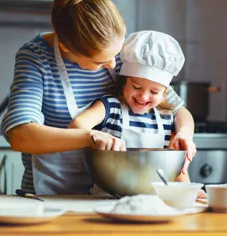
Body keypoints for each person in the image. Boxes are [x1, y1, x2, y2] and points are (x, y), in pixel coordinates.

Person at [1, 0, 196, 195]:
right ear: (67, 48)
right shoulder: (36, 58)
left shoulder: (125, 55)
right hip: (52, 197)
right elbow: (20, 135)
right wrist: (89, 137)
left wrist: (184, 134)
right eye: (101, 61)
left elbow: (177, 109)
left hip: (111, 198)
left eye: (117, 54)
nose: (114, 65)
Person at [68, 31, 192, 185]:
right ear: (123, 82)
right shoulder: (110, 107)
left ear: (165, 93)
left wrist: (188, 190)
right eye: (136, 87)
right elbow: (77, 125)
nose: (143, 97)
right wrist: (94, 137)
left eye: (154, 92)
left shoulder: (166, 117)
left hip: (154, 199)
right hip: (107, 195)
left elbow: (176, 172)